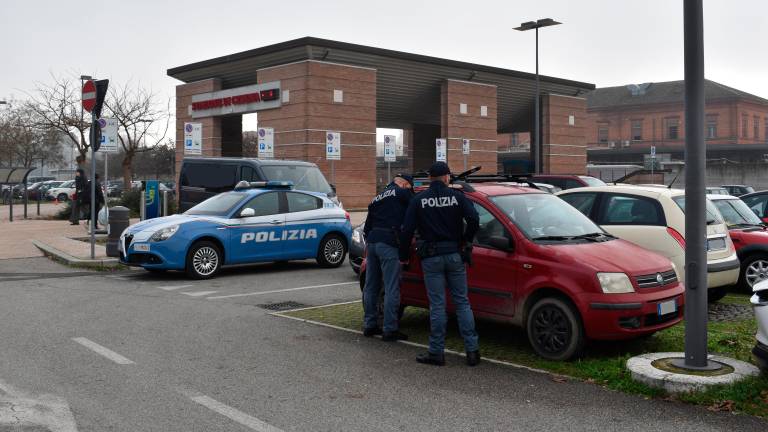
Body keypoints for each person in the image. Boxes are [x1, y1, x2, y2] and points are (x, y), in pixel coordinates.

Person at [400, 162, 480, 366]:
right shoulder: (458, 197)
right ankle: (472, 351)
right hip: (454, 254)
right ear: (446, 177)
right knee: (462, 302)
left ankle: (437, 353)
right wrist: (466, 240)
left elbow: (407, 230)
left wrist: (403, 256)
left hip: (431, 257)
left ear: (430, 178)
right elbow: (473, 218)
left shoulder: (419, 200)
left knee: (437, 306)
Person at [362, 174, 414, 342]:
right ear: (405, 184)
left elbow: (367, 227)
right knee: (392, 287)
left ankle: (369, 325)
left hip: (372, 243)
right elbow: (417, 207)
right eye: (409, 187)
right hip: (389, 243)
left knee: (371, 287)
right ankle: (390, 329)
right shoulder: (402, 193)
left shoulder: (376, 198)